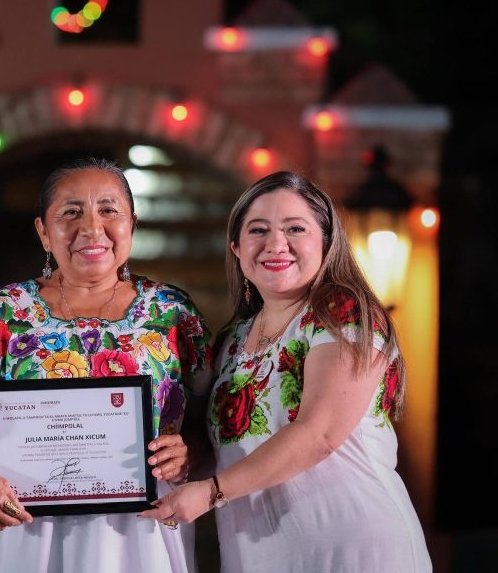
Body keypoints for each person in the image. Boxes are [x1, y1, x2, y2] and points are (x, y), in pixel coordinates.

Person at [148, 171, 432, 571]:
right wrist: (182, 458)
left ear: (327, 242)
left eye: (295, 228)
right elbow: (221, 448)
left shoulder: (343, 314)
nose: (275, 244)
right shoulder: (232, 338)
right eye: (258, 230)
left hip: (351, 547)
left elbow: (319, 435)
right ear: (236, 246)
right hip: (260, 556)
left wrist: (210, 492)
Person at [0, 157, 213, 573]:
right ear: (43, 231)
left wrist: (188, 454)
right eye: (71, 213)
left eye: (109, 210)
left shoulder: (172, 311)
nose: (91, 228)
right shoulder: (3, 312)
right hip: (29, 528)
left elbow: (205, 424)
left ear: (132, 224)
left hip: (142, 528)